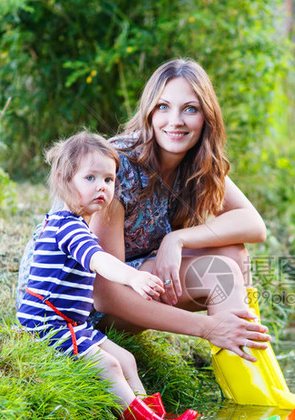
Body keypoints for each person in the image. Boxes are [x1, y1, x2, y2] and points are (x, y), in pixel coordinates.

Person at [87, 58, 271, 361]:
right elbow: (104, 295)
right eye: (163, 107)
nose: (175, 121)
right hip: (77, 307)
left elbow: (253, 224)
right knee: (220, 272)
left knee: (233, 255)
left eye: (190, 109)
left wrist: (178, 239)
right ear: (148, 112)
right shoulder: (117, 168)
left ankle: (254, 375)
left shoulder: (195, 160)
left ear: (206, 117)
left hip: (137, 281)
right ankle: (250, 380)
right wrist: (207, 327)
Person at [17, 131, 167, 420]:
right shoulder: (68, 227)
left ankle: (153, 413)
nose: (102, 186)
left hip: (71, 323)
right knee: (110, 366)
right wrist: (133, 278)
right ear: (64, 180)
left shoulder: (77, 224)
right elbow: (100, 261)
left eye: (109, 180)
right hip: (46, 325)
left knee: (127, 360)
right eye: (91, 178)